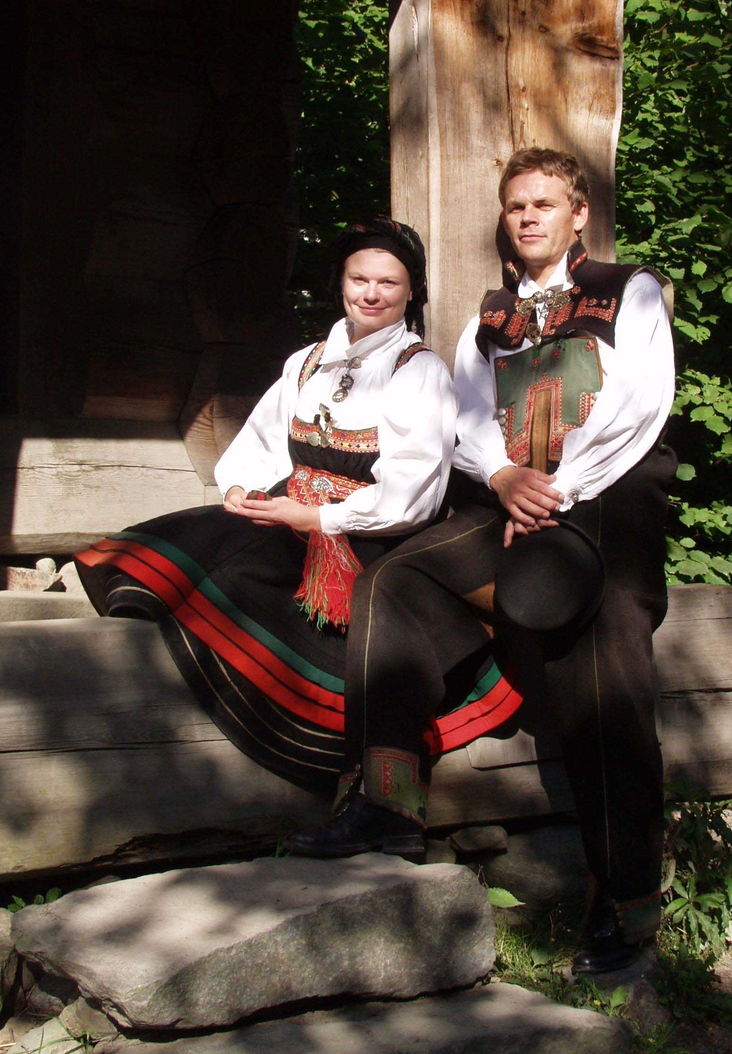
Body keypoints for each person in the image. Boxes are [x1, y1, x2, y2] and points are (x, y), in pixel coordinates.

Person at [290, 150, 677, 974]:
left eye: (545, 203)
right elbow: (467, 419)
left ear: (579, 213)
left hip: (604, 508)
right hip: (508, 506)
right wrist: (502, 476)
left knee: (604, 661)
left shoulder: (630, 290)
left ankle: (630, 898)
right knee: (397, 577)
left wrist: (558, 490)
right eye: (515, 206)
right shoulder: (487, 318)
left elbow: (641, 404)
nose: (529, 216)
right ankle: (387, 805)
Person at [74, 219, 467, 802]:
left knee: (236, 571)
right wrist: (241, 489)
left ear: (412, 292)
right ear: (341, 282)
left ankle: (288, 733)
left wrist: (320, 519)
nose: (371, 293)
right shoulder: (307, 362)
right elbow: (261, 443)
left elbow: (416, 489)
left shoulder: (420, 372)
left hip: (364, 529)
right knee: (194, 536)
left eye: (388, 282)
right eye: (360, 278)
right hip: (290, 511)